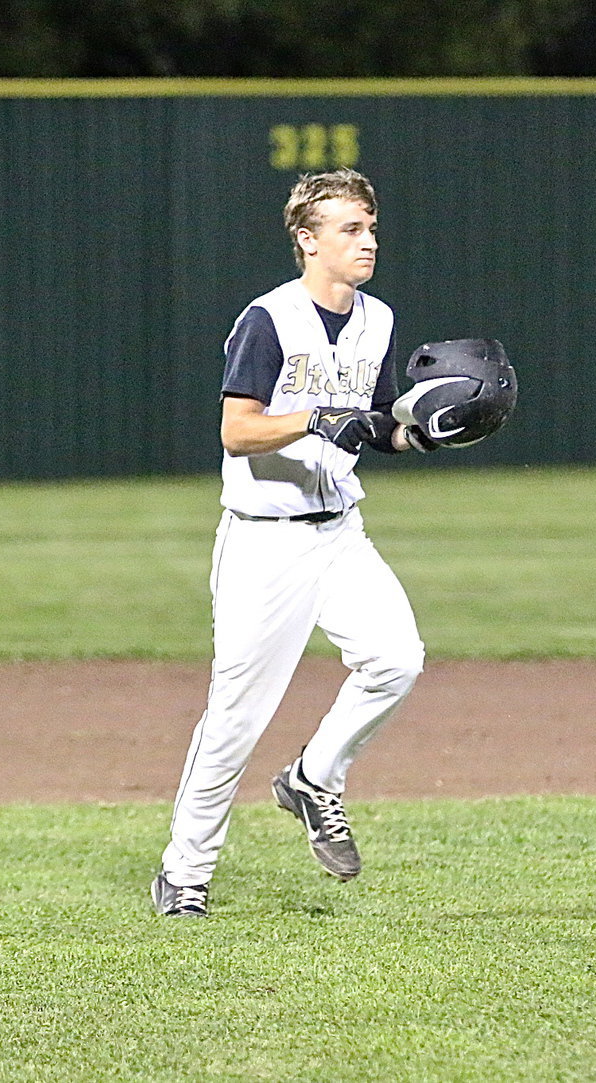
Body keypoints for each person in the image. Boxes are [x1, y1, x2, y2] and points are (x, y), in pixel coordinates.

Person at [151, 168, 436, 918]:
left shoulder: (377, 319)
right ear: (308, 241)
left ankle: (314, 776)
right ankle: (184, 872)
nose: (367, 240)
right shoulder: (268, 319)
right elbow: (237, 430)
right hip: (263, 543)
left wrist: (426, 432)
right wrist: (313, 418)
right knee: (236, 716)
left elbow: (375, 425)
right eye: (350, 229)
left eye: (370, 227)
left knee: (396, 658)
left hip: (340, 530)